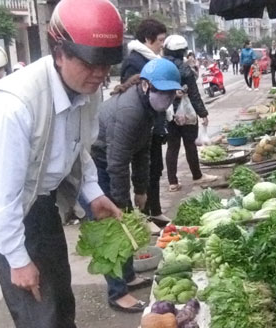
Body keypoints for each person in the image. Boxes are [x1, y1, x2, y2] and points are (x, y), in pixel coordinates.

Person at [0, 0, 125, 328]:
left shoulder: (87, 89)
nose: (99, 74)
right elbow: (0, 197)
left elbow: (79, 149)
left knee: (59, 285)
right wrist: (17, 259)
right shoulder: (15, 104)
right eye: (89, 62)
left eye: (106, 64)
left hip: (38, 196)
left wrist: (92, 194)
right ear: (60, 53)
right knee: (36, 308)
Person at [93, 59, 181, 312]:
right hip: (98, 162)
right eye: (162, 91)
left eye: (171, 92)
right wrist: (122, 205)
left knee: (126, 220)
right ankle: (117, 293)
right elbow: (117, 164)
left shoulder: (152, 108)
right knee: (111, 228)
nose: (166, 97)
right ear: (145, 85)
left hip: (115, 160)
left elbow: (143, 151)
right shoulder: (130, 111)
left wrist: (141, 189)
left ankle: (128, 276)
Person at [120, 18, 170, 225]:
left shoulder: (152, 60)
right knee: (144, 170)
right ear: (148, 39)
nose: (162, 45)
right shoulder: (134, 62)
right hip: (141, 127)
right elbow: (133, 95)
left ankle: (155, 210)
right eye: (159, 40)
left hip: (155, 123)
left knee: (156, 169)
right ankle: (143, 215)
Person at [163, 35, 218, 192]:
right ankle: (197, 176)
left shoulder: (161, 66)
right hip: (186, 113)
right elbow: (193, 94)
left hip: (168, 113)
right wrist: (203, 113)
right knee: (190, 145)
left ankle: (172, 182)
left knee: (172, 147)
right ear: (183, 51)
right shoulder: (185, 68)